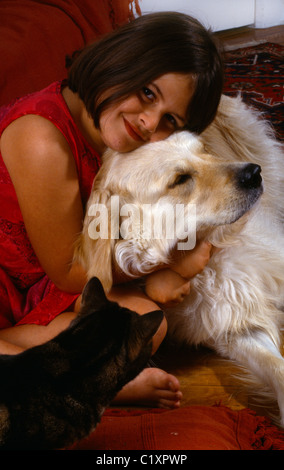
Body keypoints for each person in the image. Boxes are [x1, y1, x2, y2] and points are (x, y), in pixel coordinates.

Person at [0, 12, 223, 408]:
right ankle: (88, 383)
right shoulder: (41, 139)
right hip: (43, 273)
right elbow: (71, 271)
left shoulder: (119, 139)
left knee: (143, 325)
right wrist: (172, 261)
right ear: (122, 60)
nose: (149, 122)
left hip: (35, 286)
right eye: (148, 93)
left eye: (170, 120)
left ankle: (56, 373)